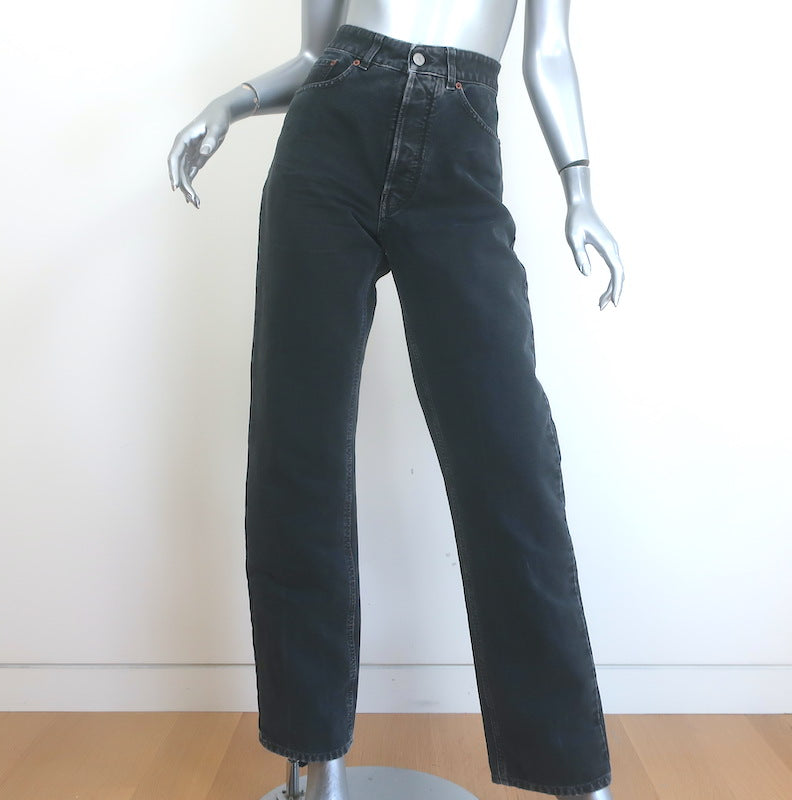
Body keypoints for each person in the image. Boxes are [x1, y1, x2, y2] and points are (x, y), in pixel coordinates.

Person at [167, 2, 625, 798]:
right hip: (328, 142)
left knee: (511, 459)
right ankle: (317, 765)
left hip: (460, 147)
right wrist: (232, 103)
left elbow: (547, 50)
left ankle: (575, 776)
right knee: (297, 450)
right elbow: (314, 54)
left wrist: (578, 188)